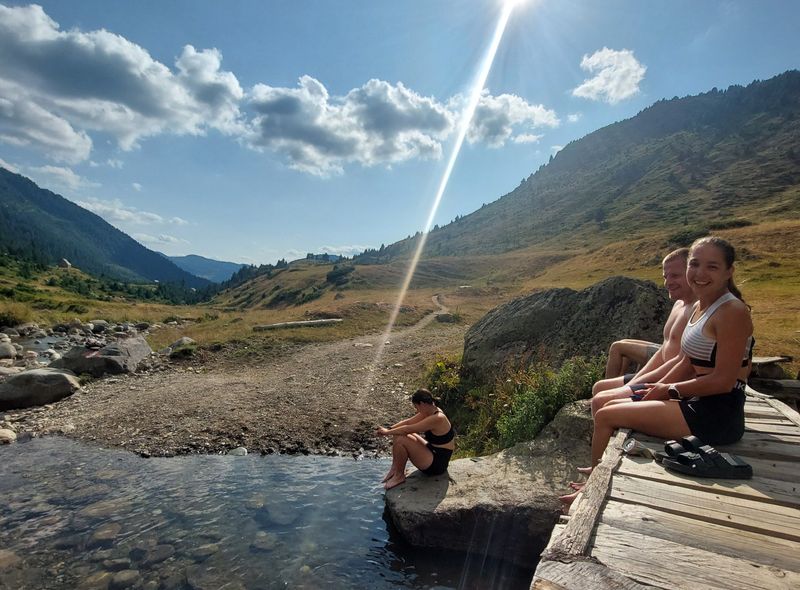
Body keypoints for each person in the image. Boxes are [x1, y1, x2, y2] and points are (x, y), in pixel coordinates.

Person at [588, 236, 754, 471]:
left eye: (712, 266)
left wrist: (668, 390)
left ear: (729, 271)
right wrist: (656, 389)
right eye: (694, 264)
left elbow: (723, 381)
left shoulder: (732, 311)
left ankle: (594, 477)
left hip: (717, 415)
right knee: (610, 404)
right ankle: (595, 469)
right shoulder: (700, 307)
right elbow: (686, 362)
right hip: (694, 400)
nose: (700, 273)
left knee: (606, 415)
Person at [590, 248, 696, 417]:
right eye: (665, 277)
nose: (668, 282)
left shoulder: (697, 310)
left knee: (603, 399)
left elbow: (683, 363)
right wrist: (637, 379)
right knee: (599, 387)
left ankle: (614, 423)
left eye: (675, 276)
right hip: (658, 372)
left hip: (672, 379)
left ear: (692, 273)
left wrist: (640, 385)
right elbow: (663, 351)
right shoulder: (678, 304)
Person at [375, 389, 455, 490]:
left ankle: (399, 476)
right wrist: (389, 429)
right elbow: (408, 422)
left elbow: (408, 429)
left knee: (401, 439)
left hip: (438, 463)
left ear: (422, 404)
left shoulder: (437, 418)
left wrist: (386, 433)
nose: (416, 410)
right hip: (433, 450)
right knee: (397, 433)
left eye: (416, 407)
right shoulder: (429, 411)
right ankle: (395, 469)